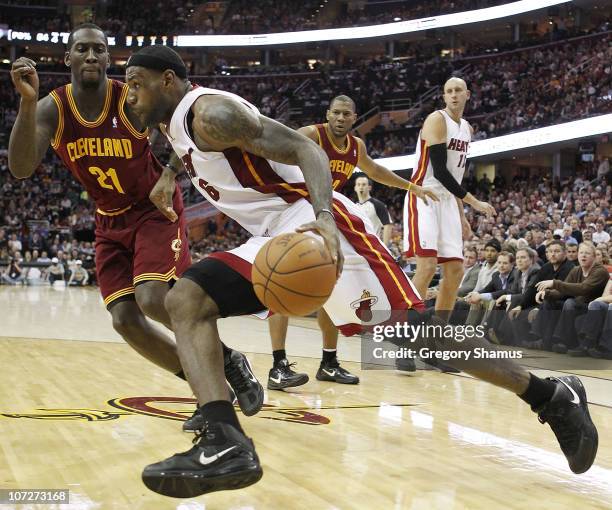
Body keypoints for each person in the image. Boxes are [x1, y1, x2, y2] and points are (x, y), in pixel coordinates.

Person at [126, 45, 598, 498]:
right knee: (186, 300)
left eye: (136, 85)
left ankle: (550, 394)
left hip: (314, 223)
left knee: (421, 335)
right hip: (273, 234)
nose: (130, 95)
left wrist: (327, 219)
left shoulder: (211, 112)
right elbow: (186, 149)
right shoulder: (175, 125)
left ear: (168, 81)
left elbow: (306, 151)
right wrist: (169, 173)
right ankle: (225, 439)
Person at [8, 24, 262, 426]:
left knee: (151, 298)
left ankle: (216, 385)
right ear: (68, 58)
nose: (90, 56)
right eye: (82, 49)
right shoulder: (51, 108)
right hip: (108, 220)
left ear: (109, 60)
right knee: (125, 321)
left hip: (153, 210)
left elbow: (186, 122)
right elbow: (21, 168)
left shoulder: (129, 96)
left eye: (98, 50)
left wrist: (169, 175)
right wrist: (26, 103)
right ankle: (223, 367)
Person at [266, 96, 437, 390]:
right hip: (293, 210)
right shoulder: (311, 134)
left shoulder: (356, 146)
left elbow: (375, 171)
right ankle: (278, 365)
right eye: (336, 113)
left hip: (325, 216)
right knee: (284, 283)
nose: (341, 118)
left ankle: (329, 362)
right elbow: (270, 153)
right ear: (327, 114)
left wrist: (410, 186)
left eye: (346, 114)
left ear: (355, 117)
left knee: (330, 287)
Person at [403, 77, 496, 323]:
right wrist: (474, 203)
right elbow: (441, 172)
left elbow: (455, 176)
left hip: (447, 200)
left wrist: (462, 215)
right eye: (448, 91)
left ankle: (437, 334)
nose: (453, 95)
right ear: (444, 96)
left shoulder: (467, 128)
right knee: (427, 266)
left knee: (455, 270)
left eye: (458, 90)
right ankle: (405, 334)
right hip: (424, 194)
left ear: (468, 94)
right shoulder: (436, 120)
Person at [533, 242, 609, 353]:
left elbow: (584, 288)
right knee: (550, 302)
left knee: (569, 302)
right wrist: (547, 293)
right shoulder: (576, 270)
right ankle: (541, 339)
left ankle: (564, 342)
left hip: (593, 306)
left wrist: (554, 283)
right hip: (578, 305)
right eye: (581, 253)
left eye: (587, 253)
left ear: (594, 256)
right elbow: (562, 291)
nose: (583, 255)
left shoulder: (600, 271)